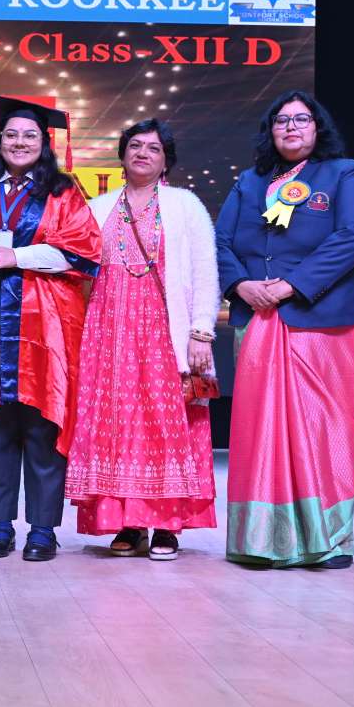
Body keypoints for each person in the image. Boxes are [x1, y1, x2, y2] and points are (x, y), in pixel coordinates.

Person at [216, 89, 354, 569]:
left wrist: (292, 285)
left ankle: (330, 541)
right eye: (281, 120)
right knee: (259, 430)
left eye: (301, 119)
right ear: (270, 131)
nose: (290, 127)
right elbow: (221, 241)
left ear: (317, 127)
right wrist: (242, 285)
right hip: (259, 320)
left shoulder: (346, 173)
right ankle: (262, 541)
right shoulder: (249, 182)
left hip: (325, 321)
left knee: (327, 429)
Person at [0, 95, 101, 561]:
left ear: (44, 143)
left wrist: (16, 256)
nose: (20, 142)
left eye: (30, 135)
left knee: (43, 426)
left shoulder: (63, 193)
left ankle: (43, 529)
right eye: (11, 135)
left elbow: (83, 253)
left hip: (46, 328)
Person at [65, 119, 220, 561]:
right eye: (135, 145)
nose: (143, 153)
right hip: (109, 332)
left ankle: (167, 526)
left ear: (166, 159)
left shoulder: (185, 205)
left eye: (153, 148)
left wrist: (201, 332)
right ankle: (129, 524)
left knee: (166, 424)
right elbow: (75, 267)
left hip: (165, 332)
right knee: (116, 426)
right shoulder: (98, 207)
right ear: (122, 154)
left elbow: (204, 270)